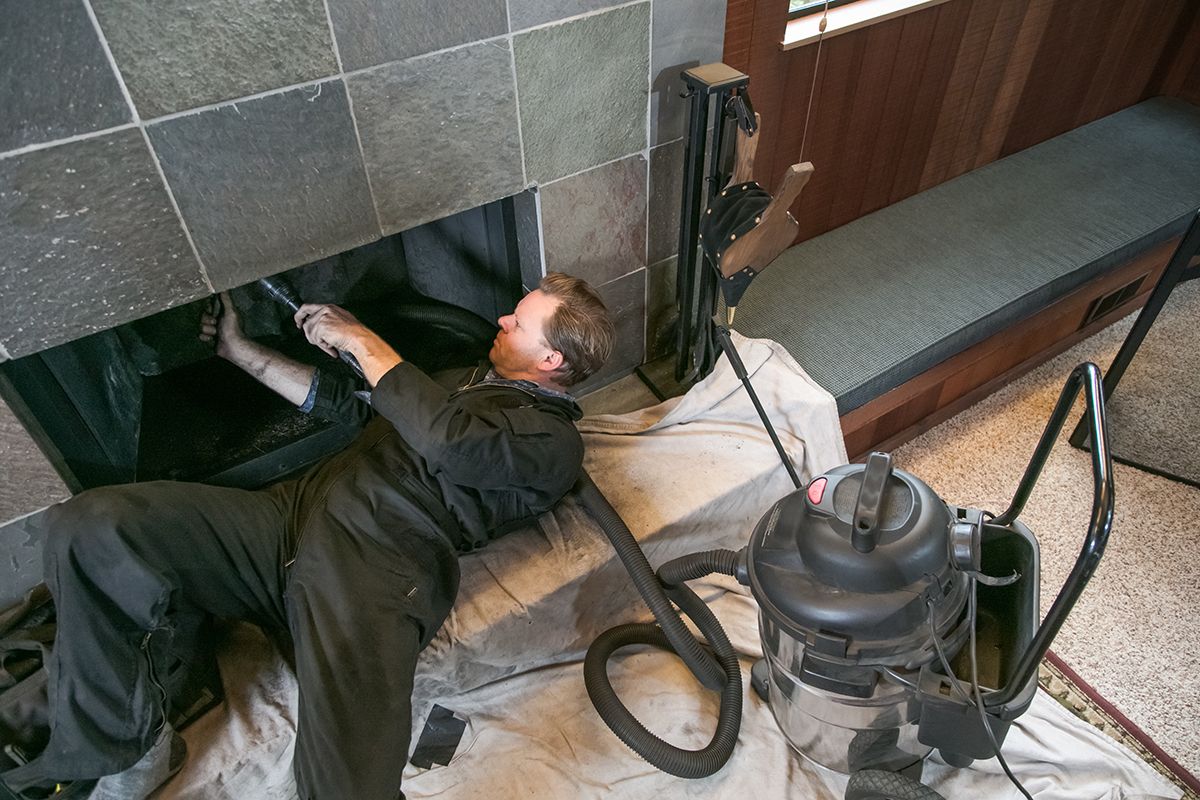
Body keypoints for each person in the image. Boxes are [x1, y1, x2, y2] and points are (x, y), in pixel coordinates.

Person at [2, 273, 615, 800]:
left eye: (521, 319)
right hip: (284, 522)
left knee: (347, 779)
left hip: (374, 564)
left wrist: (365, 343)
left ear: (552, 360)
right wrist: (240, 352)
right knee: (95, 525)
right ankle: (122, 743)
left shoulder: (551, 442)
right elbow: (350, 410)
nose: (504, 316)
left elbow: (452, 442)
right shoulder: (463, 377)